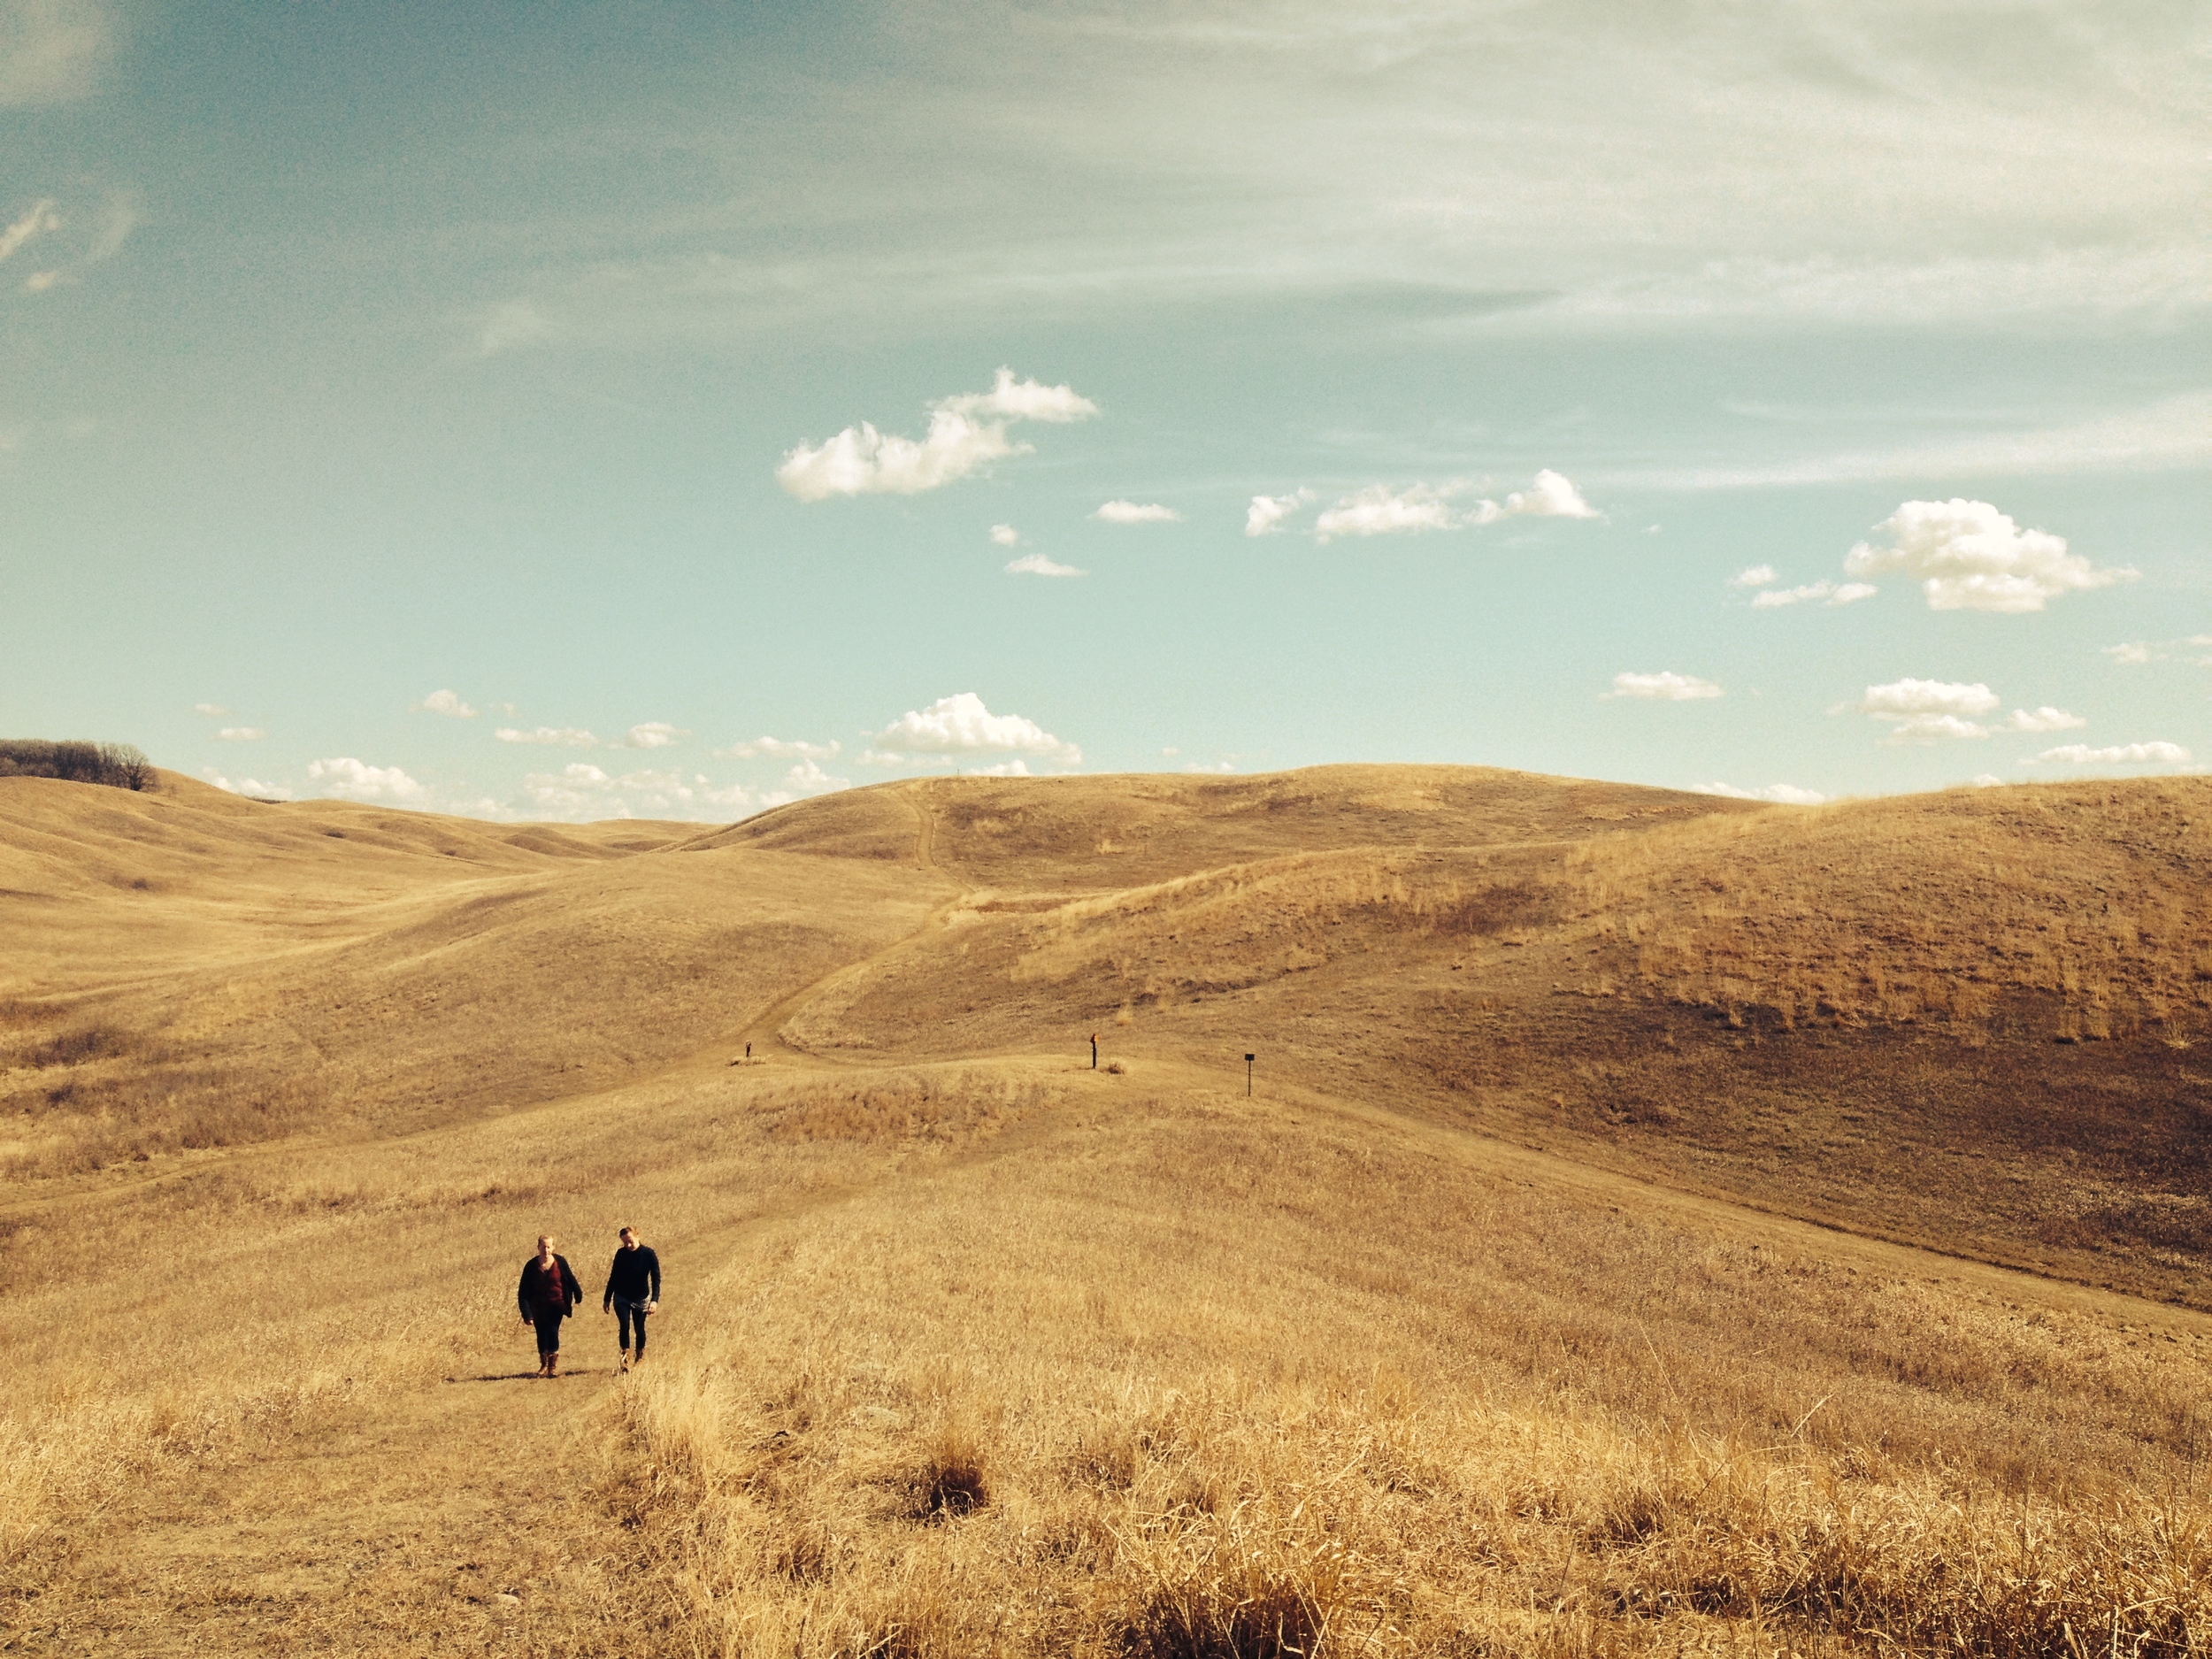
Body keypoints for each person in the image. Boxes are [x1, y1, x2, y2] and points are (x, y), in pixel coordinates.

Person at [517, 1234, 583, 1377]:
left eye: (548, 1247)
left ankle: (552, 1366)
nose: (545, 1250)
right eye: (543, 1247)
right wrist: (526, 1313)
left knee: (553, 1330)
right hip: (538, 1306)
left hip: (557, 1304)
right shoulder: (531, 1266)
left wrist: (578, 1295)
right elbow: (523, 1291)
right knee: (541, 1333)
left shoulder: (560, 1262)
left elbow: (570, 1279)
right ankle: (544, 1364)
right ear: (538, 1247)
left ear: (553, 1247)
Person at [603, 1225, 662, 1372]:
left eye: (630, 1241)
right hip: (621, 1296)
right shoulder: (621, 1254)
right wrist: (607, 1298)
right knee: (624, 1324)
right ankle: (625, 1359)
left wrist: (654, 1300)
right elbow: (613, 1276)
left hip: (641, 1297)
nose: (628, 1245)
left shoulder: (648, 1254)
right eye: (624, 1242)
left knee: (639, 1328)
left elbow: (656, 1279)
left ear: (637, 1236)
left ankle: (640, 1356)